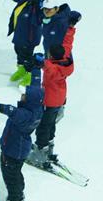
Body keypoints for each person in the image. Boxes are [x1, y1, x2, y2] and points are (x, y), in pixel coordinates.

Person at [0, 58, 45, 201]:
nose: (23, 95)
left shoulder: (25, 115)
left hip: (13, 151)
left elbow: (11, 111)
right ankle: (19, 196)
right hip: (19, 148)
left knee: (11, 178)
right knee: (16, 174)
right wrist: (36, 68)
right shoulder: (36, 106)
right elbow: (36, 84)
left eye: (25, 95)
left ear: (30, 100)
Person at [33, 14, 80, 165]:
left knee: (44, 126)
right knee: (51, 123)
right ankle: (49, 147)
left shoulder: (52, 68)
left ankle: (40, 152)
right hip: (59, 98)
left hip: (50, 100)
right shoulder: (65, 58)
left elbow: (47, 67)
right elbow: (67, 43)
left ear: (51, 56)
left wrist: (40, 62)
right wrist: (70, 27)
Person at [0, 0, 47, 86]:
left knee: (27, 57)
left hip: (29, 38)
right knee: (18, 52)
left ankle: (29, 74)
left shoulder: (39, 7)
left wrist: (39, 4)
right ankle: (21, 69)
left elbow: (42, 16)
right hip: (19, 34)